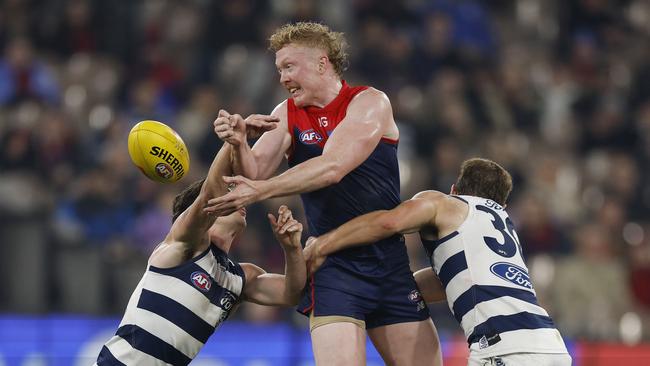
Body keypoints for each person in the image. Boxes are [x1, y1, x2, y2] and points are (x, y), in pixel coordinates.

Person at [206, 22, 441, 366]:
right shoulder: (286, 114)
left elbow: (333, 167)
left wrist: (261, 190)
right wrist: (238, 143)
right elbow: (252, 173)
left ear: (322, 63)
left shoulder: (369, 102)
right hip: (331, 268)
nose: (283, 78)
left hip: (390, 265)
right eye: (279, 70)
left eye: (289, 66)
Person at [305, 158, 572, 366]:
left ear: (454, 189)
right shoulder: (505, 227)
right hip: (553, 347)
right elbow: (450, 282)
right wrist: (393, 291)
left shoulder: (446, 203)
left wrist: (324, 243)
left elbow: (388, 222)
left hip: (506, 349)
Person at [95, 118, 306, 366]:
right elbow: (210, 192)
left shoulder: (239, 278)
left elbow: (292, 293)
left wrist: (292, 249)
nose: (238, 198)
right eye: (230, 193)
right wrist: (233, 142)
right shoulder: (182, 246)